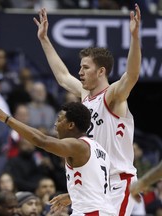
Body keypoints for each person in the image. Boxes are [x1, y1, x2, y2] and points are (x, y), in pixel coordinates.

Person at [33, 4, 141, 215]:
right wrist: (44, 39)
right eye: (80, 67)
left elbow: (132, 75)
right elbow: (63, 77)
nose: (80, 72)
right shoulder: (85, 96)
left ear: (101, 71)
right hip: (97, 182)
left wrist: (135, 38)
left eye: (85, 67)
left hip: (119, 182)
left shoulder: (113, 96)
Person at [0, 98, 115, 215]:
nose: (55, 124)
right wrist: (73, 196)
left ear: (71, 125)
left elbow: (41, 140)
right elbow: (97, 187)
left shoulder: (78, 145)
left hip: (91, 212)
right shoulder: (99, 148)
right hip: (105, 210)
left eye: (59, 119)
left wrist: (7, 119)